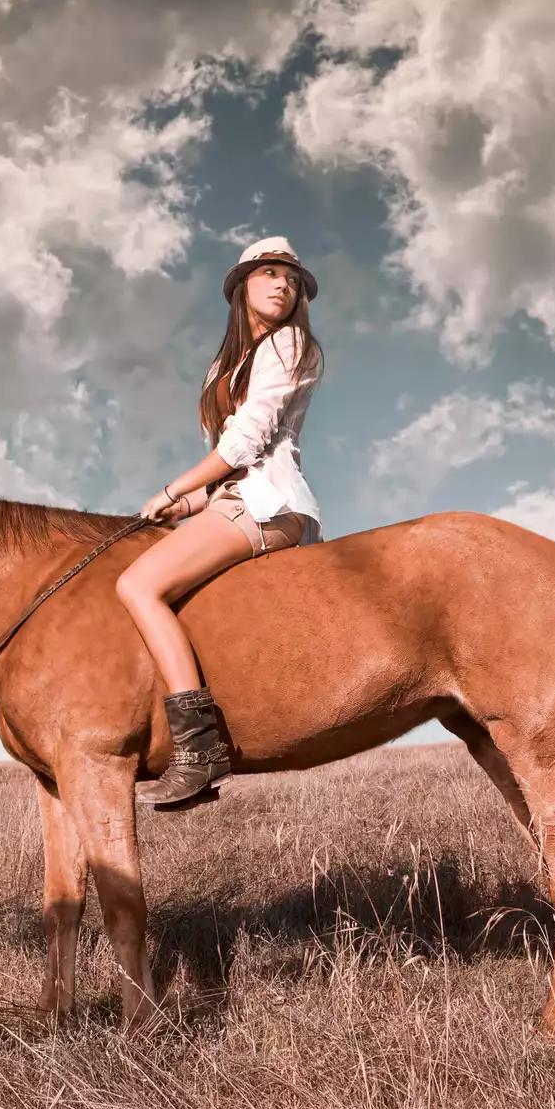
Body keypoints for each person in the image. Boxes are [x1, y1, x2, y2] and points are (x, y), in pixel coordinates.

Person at [116, 235, 326, 810]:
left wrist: (173, 486)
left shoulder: (288, 343)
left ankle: (198, 746)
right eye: (270, 274)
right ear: (242, 287)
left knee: (137, 584)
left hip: (268, 505)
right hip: (234, 500)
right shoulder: (226, 364)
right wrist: (178, 505)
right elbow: (222, 477)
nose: (283, 284)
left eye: (291, 276)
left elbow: (246, 444)